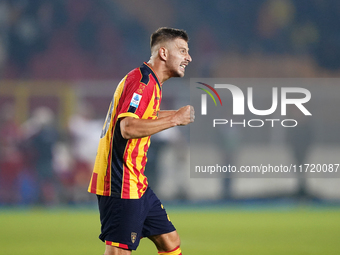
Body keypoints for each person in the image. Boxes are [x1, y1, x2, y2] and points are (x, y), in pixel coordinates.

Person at [88, 27, 194, 255]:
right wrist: (175, 119)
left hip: (136, 181)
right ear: (164, 53)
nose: (189, 57)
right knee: (119, 251)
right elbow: (127, 128)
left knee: (169, 240)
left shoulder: (150, 82)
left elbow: (144, 116)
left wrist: (175, 114)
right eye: (183, 51)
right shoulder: (142, 83)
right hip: (120, 181)